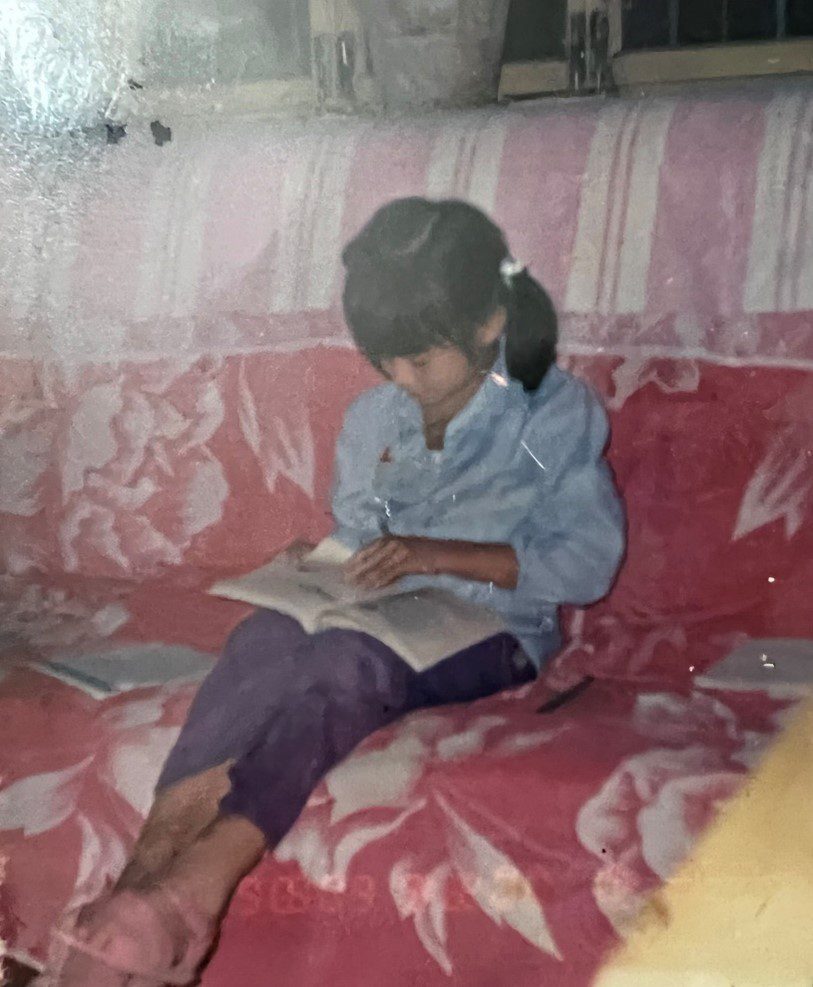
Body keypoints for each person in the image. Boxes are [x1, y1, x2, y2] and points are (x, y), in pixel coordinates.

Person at [51, 198, 625, 985]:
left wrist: (439, 552)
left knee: (344, 662)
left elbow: (587, 562)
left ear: (490, 322)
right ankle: (144, 868)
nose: (399, 378)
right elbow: (360, 536)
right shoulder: (373, 418)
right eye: (383, 358)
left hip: (494, 630)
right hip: (380, 609)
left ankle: (196, 889)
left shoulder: (555, 415)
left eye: (418, 359)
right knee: (266, 638)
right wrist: (317, 561)